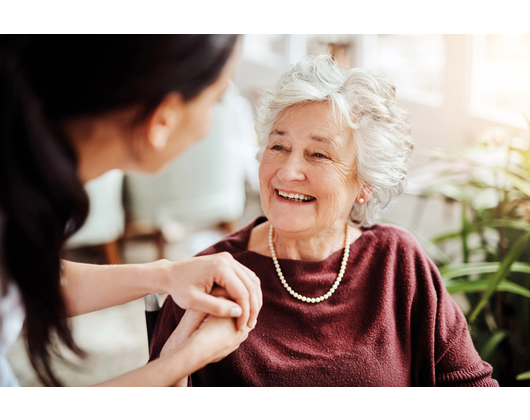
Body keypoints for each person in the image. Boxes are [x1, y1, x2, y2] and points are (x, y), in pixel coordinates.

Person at [149, 54, 499, 386]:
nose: (287, 173)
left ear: (365, 183)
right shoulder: (209, 278)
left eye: (318, 154)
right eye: (278, 147)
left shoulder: (398, 261)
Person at [0, 34, 262, 387]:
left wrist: (166, 274)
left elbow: (25, 280)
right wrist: (185, 359)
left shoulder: (31, 174)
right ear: (162, 120)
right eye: (218, 100)